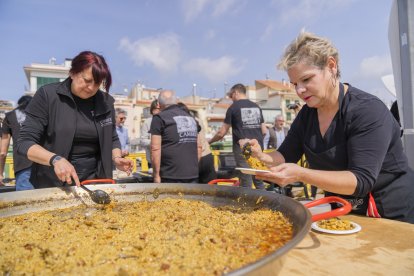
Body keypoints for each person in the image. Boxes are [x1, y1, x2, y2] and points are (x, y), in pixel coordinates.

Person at [241, 31, 414, 223]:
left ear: (331, 66)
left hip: (388, 209)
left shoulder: (367, 110)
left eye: (306, 80)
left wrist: (301, 174)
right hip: (341, 207)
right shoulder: (306, 115)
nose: (299, 90)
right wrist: (261, 156)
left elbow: (361, 180)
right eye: (295, 83)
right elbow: (285, 155)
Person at [17, 51, 133, 188]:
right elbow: (25, 143)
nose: (91, 88)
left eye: (97, 83)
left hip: (95, 181)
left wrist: (117, 158)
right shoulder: (48, 96)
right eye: (87, 80)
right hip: (53, 182)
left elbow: (112, 138)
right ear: (72, 73)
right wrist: (55, 159)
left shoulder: (105, 102)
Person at [208, 83, 267, 189]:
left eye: (231, 96)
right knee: (258, 179)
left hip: (242, 149)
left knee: (245, 180)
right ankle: (265, 203)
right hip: (257, 147)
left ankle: (246, 205)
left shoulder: (233, 108)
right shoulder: (256, 107)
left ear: (236, 93)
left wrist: (209, 141)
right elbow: (264, 131)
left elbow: (222, 132)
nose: (231, 98)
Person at [149, 90, 202, 183]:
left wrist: (156, 175)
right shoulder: (191, 118)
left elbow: (155, 148)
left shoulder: (159, 118)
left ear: (158, 104)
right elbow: (199, 147)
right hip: (192, 174)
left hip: (170, 175)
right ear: (176, 101)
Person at [177, 102, 217, 183]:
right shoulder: (197, 120)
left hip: (194, 158)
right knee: (211, 189)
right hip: (207, 156)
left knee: (195, 190)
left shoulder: (181, 123)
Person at [0, 96, 34, 190]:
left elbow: (2, 153)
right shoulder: (42, 114)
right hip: (46, 166)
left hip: (23, 165)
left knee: (26, 202)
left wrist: (0, 174)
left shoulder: (10, 116)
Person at [139, 100, 160, 169]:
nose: (160, 111)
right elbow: (142, 141)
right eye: (158, 109)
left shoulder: (166, 121)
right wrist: (154, 142)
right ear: (153, 110)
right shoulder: (147, 122)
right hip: (152, 162)